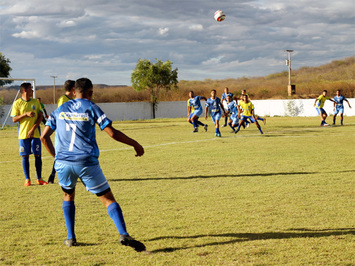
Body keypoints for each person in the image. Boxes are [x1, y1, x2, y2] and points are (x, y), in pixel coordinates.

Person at [40, 78, 146, 251]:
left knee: (68, 196)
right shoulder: (91, 107)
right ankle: (123, 233)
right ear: (90, 93)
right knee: (108, 199)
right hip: (86, 162)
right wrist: (135, 143)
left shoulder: (60, 109)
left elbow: (44, 137)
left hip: (63, 163)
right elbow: (112, 133)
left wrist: (57, 158)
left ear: (74, 92)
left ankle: (70, 238)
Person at [10, 82, 47, 186]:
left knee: (38, 155)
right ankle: (27, 179)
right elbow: (14, 119)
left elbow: (40, 116)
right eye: (31, 89)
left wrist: (33, 129)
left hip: (35, 133)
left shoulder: (36, 102)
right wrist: (25, 114)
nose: (33, 90)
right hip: (23, 134)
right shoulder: (17, 103)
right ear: (25, 90)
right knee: (25, 156)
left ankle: (39, 178)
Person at [47, 80, 75, 184]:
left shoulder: (71, 99)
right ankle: (52, 175)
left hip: (71, 129)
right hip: (65, 131)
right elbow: (61, 114)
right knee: (61, 154)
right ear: (73, 89)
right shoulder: (63, 100)